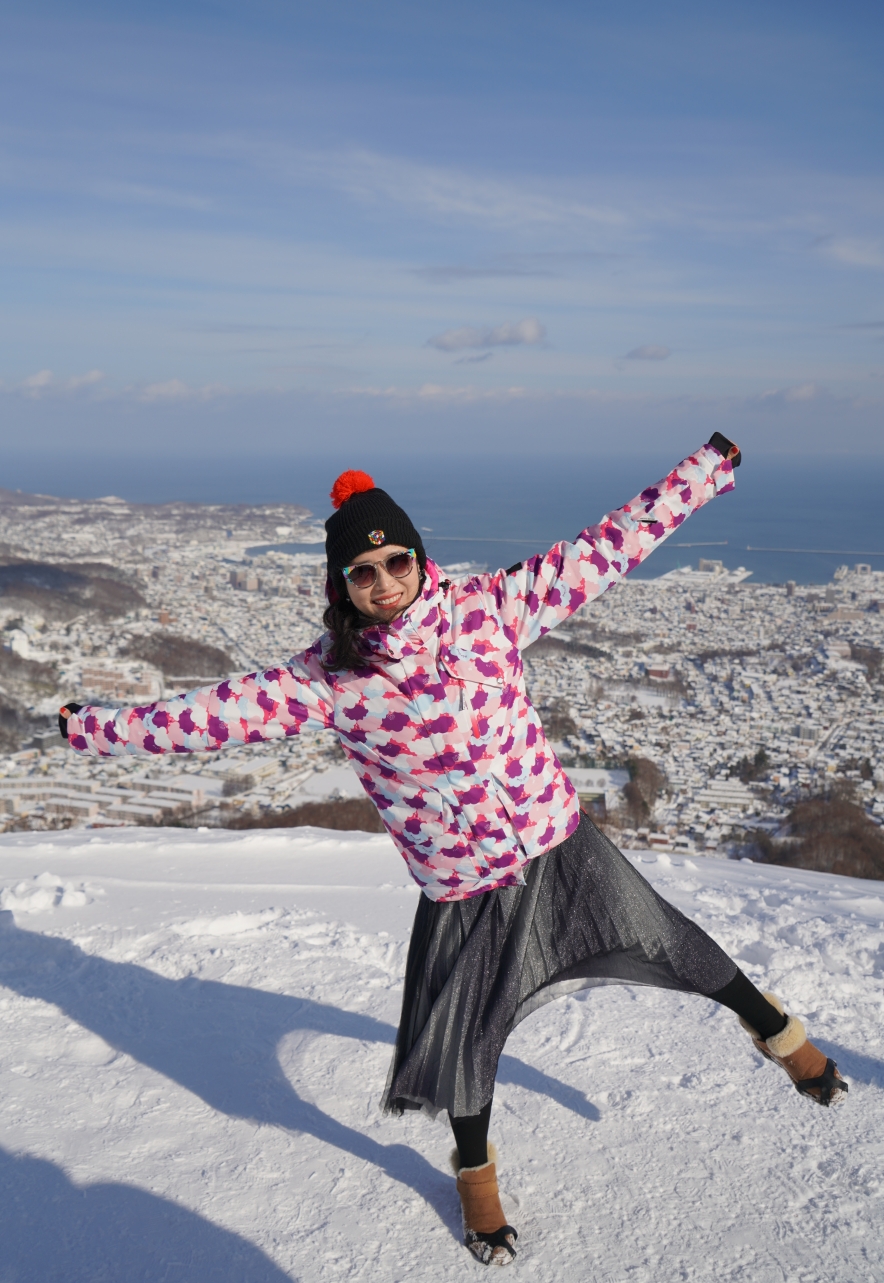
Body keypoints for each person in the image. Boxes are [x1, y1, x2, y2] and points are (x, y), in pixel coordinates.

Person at [60, 435, 847, 1268]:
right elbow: (203, 717)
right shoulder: (330, 679)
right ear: (342, 586)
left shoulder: (488, 610)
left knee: (675, 942)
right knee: (468, 1046)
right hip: (465, 887)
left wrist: (706, 471)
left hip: (558, 844)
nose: (385, 582)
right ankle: (476, 1181)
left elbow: (608, 545)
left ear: (419, 557)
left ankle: (785, 1041)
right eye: (363, 573)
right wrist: (94, 728)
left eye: (396, 560)